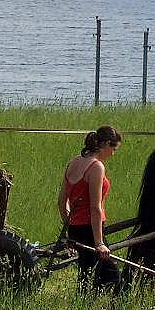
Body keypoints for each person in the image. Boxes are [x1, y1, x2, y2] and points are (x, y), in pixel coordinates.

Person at [58, 125, 123, 295]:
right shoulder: (96, 167)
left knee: (86, 273)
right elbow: (95, 208)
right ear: (106, 144)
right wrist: (99, 243)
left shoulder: (73, 162)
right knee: (113, 276)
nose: (113, 153)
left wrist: (70, 226)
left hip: (75, 229)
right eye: (113, 148)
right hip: (91, 229)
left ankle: (84, 309)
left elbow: (61, 202)